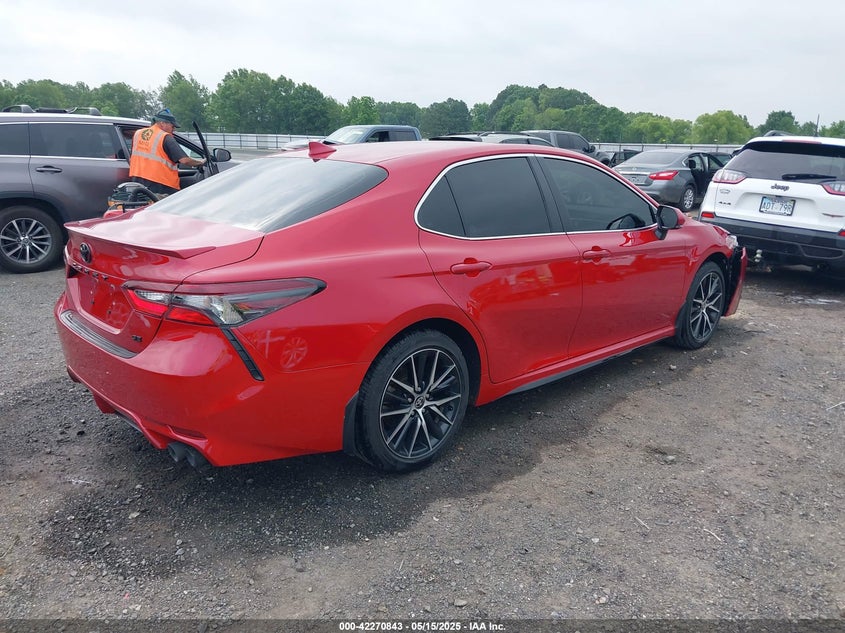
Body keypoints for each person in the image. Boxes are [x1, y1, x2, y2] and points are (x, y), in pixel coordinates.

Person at [128, 108, 206, 195]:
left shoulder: (138, 133)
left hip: (138, 181)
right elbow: (184, 160)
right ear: (162, 123)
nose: (174, 129)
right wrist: (201, 162)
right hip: (161, 184)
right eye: (172, 126)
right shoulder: (165, 137)